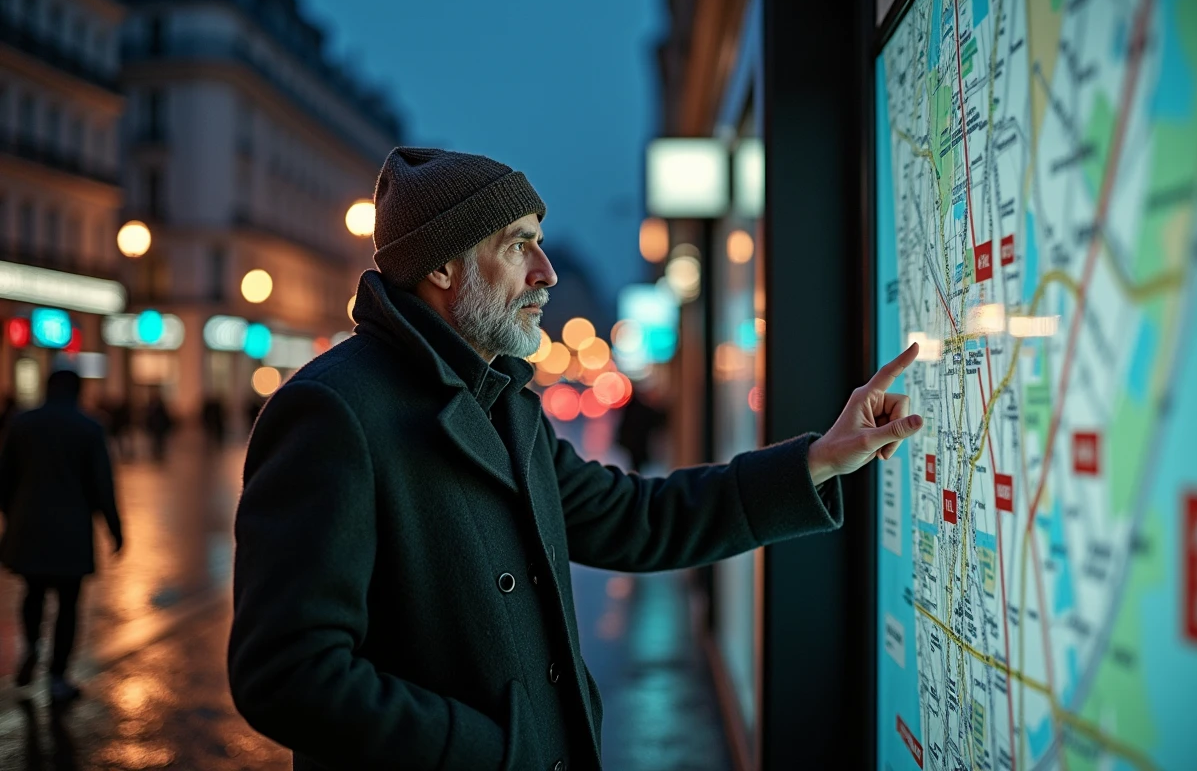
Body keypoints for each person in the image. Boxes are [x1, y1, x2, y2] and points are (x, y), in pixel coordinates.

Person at [227, 148, 923, 771]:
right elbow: (288, 674)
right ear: (442, 265)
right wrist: (489, 750)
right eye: (519, 245)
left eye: (542, 242)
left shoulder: (506, 402)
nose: (548, 271)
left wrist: (819, 463)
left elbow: (638, 518)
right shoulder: (333, 411)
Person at [0, 369, 123, 703]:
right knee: (69, 603)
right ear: (77, 391)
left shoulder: (22, 423)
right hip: (71, 528)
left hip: (29, 526)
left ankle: (32, 646)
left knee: (32, 592)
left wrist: (11, 519)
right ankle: (57, 676)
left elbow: (4, 477)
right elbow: (102, 485)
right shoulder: (89, 427)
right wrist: (115, 529)